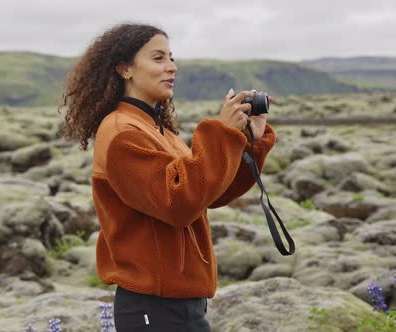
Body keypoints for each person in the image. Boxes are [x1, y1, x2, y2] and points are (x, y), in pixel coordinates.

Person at [59, 23, 276, 331]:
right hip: (153, 305)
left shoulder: (157, 130)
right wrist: (221, 133)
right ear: (125, 68)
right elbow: (178, 203)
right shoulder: (122, 132)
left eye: (171, 58)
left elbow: (207, 193)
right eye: (158, 58)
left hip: (178, 300)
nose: (172, 67)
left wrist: (250, 142)